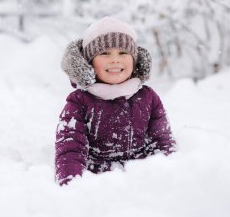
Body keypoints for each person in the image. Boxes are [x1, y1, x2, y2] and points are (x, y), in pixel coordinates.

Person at [55, 17, 176, 186]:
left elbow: (161, 142)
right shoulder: (79, 102)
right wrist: (71, 184)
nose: (115, 60)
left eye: (123, 52)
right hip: (97, 183)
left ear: (134, 60)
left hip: (141, 180)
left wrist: (168, 175)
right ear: (89, 63)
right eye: (104, 53)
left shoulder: (148, 98)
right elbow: (71, 149)